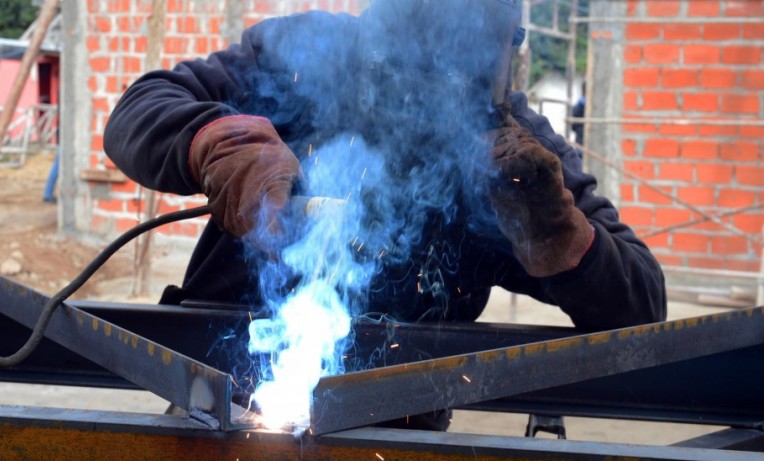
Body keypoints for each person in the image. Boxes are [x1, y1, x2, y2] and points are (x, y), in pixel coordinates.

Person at [104, 0, 666, 429]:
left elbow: (642, 307)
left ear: (502, 57)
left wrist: (555, 230)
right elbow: (140, 109)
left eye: (448, 73)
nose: (418, 93)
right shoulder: (304, 58)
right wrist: (220, 146)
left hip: (390, 433)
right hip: (220, 403)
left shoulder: (516, 159)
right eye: (404, 59)